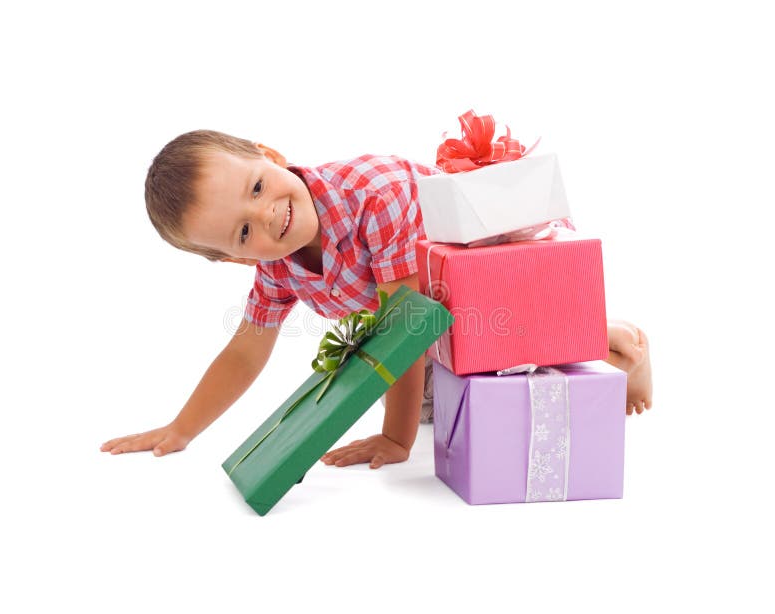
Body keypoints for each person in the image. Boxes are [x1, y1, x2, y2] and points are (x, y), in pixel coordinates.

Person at [100, 130, 653, 469]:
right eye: (244, 233)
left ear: (268, 154)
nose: (267, 215)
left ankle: (608, 337)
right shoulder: (279, 267)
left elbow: (405, 333)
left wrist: (396, 437)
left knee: (489, 331)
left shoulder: (373, 197)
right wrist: (182, 428)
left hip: (492, 265)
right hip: (429, 312)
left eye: (258, 187)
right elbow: (245, 353)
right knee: (456, 399)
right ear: (240, 259)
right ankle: (563, 352)